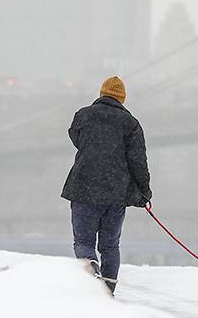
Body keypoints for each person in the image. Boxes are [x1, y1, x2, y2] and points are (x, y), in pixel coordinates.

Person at [61, 76, 151, 294]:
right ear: (122, 98)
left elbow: (76, 138)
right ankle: (108, 290)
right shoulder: (131, 124)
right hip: (115, 193)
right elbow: (138, 161)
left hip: (83, 188)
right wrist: (144, 192)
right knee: (110, 246)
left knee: (83, 241)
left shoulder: (83, 116)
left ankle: (90, 266)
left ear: (101, 94)